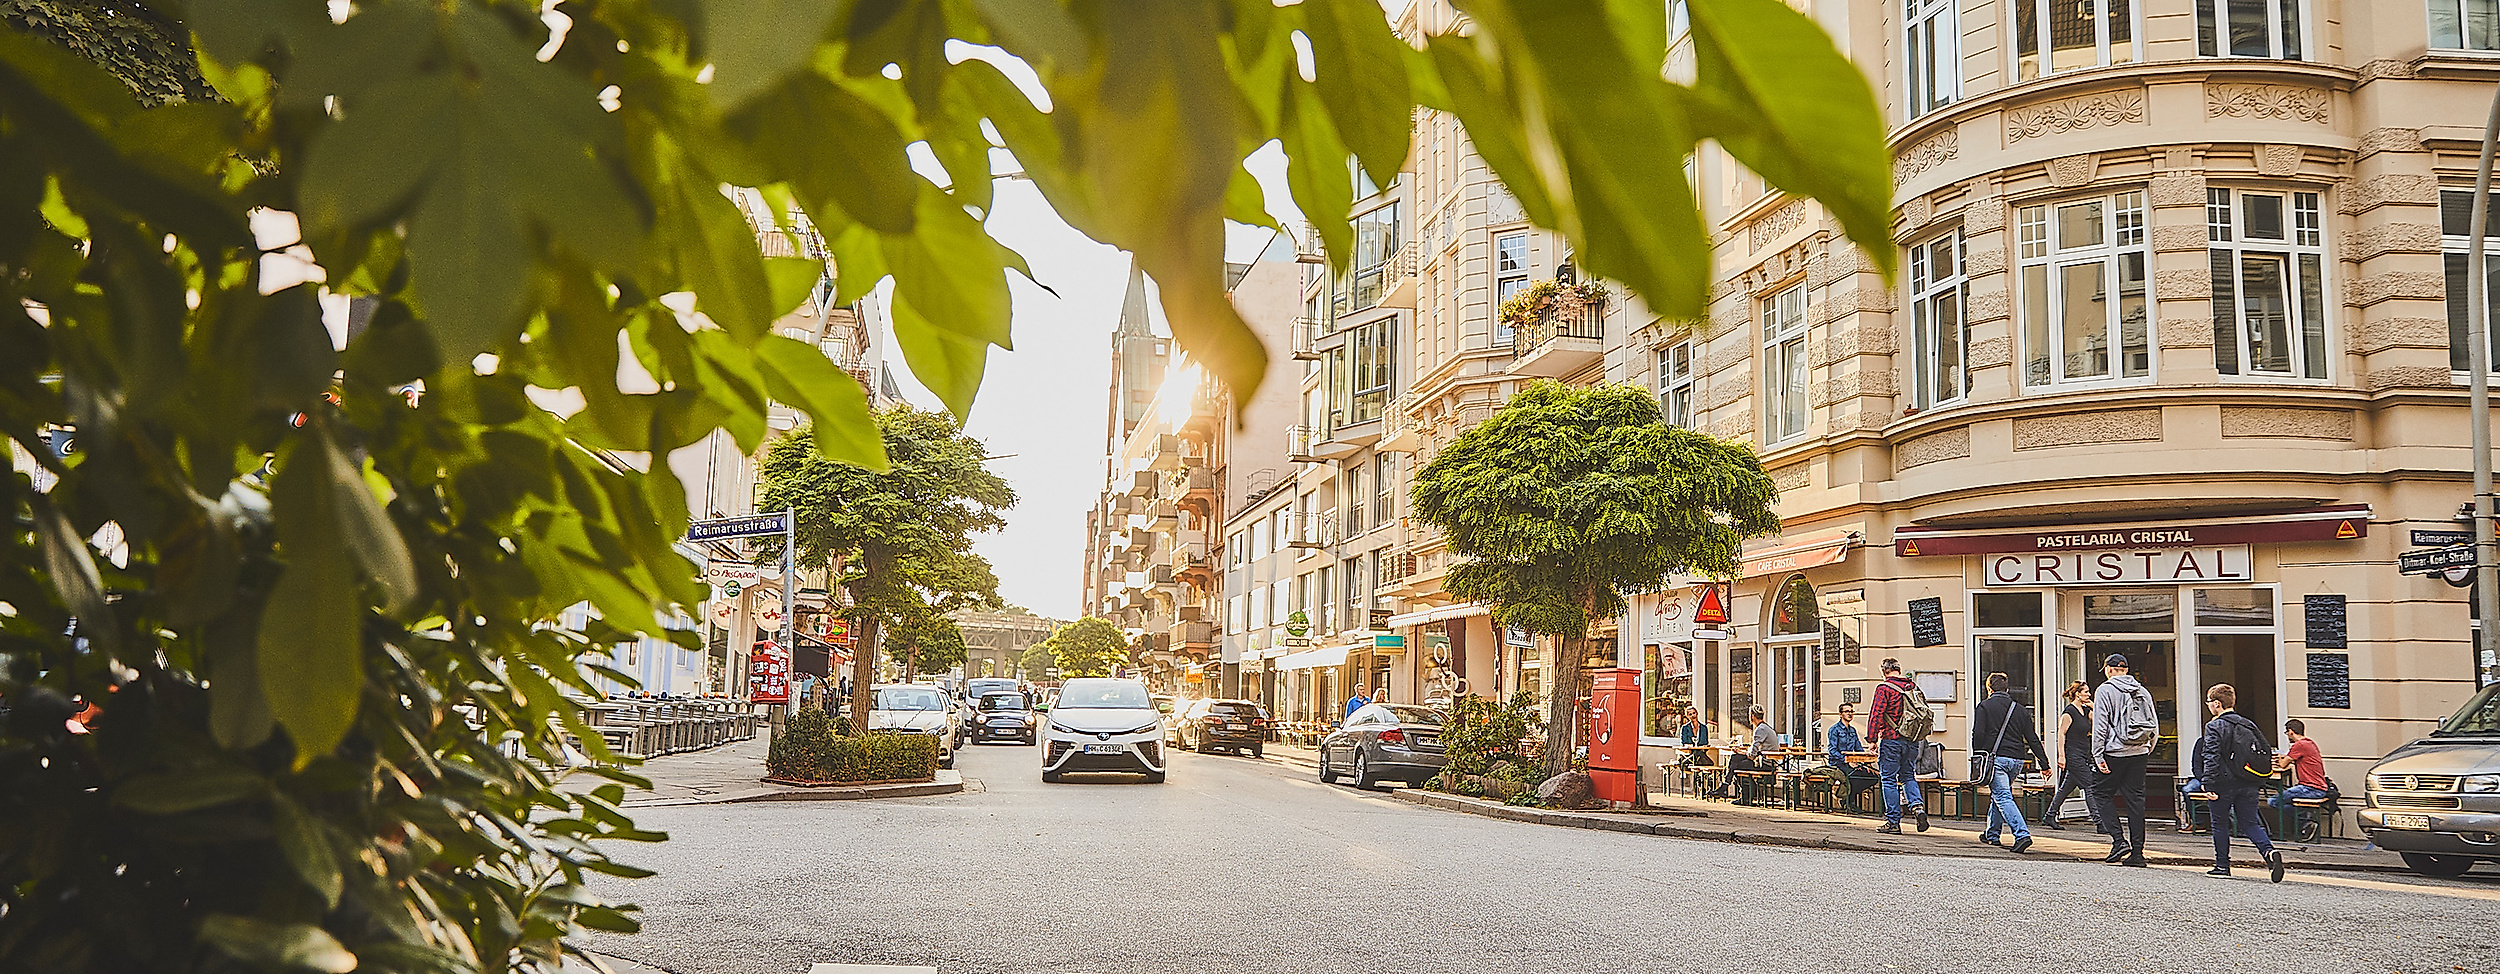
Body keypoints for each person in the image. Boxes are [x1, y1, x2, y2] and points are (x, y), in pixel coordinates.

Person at [2197, 683, 2287, 882]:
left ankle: (2222, 865)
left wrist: (2208, 783)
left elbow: (2211, 755)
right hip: (2249, 781)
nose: (2208, 705)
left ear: (2217, 704)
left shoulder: (2214, 726)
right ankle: (2269, 853)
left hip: (2223, 783)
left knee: (2219, 823)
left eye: (2209, 702)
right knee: (2250, 823)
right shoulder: (2248, 724)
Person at [1971, 672, 2050, 853]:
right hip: (2017, 759)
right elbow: (2032, 738)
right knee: (1998, 794)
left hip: (1996, 758)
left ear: (1988, 688)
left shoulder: (1984, 706)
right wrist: (2044, 764)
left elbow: (1978, 734)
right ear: (2006, 689)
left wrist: (1978, 755)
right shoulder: (2019, 709)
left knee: (2002, 796)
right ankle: (1992, 834)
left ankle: (2022, 835)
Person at [2091, 653, 2157, 866]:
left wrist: (2098, 754)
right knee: (2136, 800)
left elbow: (2100, 725)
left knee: (2100, 793)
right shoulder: (2142, 690)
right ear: (2126, 670)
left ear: (2108, 669)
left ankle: (2119, 841)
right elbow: (2153, 723)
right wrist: (2147, 748)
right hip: (2139, 751)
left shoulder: (2105, 690)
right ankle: (2137, 853)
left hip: (2114, 752)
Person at [1868, 658, 1929, 834]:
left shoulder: (1884, 688)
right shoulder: (1913, 687)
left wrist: (1872, 739)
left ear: (1884, 671)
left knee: (1888, 779)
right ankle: (1917, 807)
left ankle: (1893, 821)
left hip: (1891, 739)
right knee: (1908, 776)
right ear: (1898, 669)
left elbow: (1876, 714)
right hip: (1912, 740)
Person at [2044, 681, 2095, 831]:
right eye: (2086, 692)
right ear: (2078, 694)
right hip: (2072, 754)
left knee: (2066, 787)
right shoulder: (2069, 712)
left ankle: (2049, 815)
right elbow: (2061, 733)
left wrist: (2093, 706)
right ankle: (2099, 820)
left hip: (2084, 753)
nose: (2089, 694)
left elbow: (2100, 719)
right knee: (2090, 784)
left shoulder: (2086, 711)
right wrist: (2061, 756)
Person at [2270, 718, 2329, 838]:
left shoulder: (2299, 745)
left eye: (2287, 733)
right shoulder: (2309, 743)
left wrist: (2279, 758)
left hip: (2310, 788)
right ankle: (2305, 819)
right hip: (2318, 787)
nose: (2287, 735)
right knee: (2286, 798)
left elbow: (2282, 765)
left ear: (2291, 732)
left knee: (2273, 801)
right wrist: (2285, 757)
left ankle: (2306, 821)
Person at [1709, 707, 1781, 804]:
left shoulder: (1760, 730)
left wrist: (1744, 752)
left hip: (1765, 765)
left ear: (1752, 716)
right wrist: (1742, 753)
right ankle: (1726, 788)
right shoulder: (1766, 727)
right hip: (1767, 762)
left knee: (1737, 766)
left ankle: (1743, 795)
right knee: (1735, 758)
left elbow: (1752, 755)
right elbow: (1754, 751)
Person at [1826, 702, 1877, 804]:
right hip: (1838, 763)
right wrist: (1846, 760)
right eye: (1846, 712)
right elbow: (1832, 750)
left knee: (1873, 777)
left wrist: (1866, 763)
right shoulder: (1834, 730)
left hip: (1851, 763)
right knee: (1854, 777)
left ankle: (1847, 798)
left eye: (1851, 711)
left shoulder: (1853, 730)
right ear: (1840, 714)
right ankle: (1848, 801)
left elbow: (1859, 749)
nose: (1850, 714)